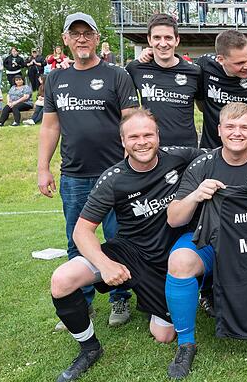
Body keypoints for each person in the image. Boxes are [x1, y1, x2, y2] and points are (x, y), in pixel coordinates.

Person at [49, 109, 204, 382]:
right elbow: (82, 231)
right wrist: (105, 264)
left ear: (158, 136)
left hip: (166, 261)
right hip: (128, 252)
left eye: (148, 134)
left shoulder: (179, 157)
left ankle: (163, 300)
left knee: (164, 335)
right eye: (134, 136)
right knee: (62, 279)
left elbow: (219, 154)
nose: (141, 141)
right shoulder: (113, 179)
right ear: (123, 141)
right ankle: (89, 348)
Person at [38, 12, 138, 329]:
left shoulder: (117, 76)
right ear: (66, 40)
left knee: (117, 237)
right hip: (74, 176)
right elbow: (50, 128)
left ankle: (120, 298)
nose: (81, 38)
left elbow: (131, 123)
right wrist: (43, 168)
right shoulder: (55, 79)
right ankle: (82, 301)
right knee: (75, 239)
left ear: (97, 39)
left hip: (114, 175)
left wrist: (129, 168)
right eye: (75, 33)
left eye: (87, 33)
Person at [164, 102, 247, 378]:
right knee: (180, 261)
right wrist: (196, 195)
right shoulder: (204, 164)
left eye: (244, 127)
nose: (237, 133)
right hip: (209, 241)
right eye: (231, 127)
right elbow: (174, 218)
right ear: (219, 130)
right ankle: (186, 343)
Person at [138, 30, 247, 149]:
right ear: (220, 59)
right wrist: (151, 53)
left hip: (245, 147)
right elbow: (176, 70)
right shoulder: (205, 65)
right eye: (239, 63)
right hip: (211, 148)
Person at [126, 14, 203, 148]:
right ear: (149, 40)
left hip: (186, 151)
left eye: (168, 38)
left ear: (177, 40)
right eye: (157, 38)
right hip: (151, 149)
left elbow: (202, 107)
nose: (163, 43)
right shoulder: (135, 68)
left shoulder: (195, 72)